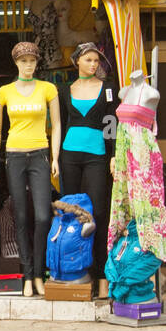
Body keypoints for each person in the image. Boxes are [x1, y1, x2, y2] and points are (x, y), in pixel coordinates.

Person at [0, 41, 60, 298]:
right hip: (15, 155)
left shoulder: (48, 89)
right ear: (16, 62)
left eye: (32, 60)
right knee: (20, 217)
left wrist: (55, 157)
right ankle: (27, 276)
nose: (28, 65)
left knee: (43, 216)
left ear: (37, 62)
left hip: (40, 153)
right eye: (24, 61)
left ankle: (40, 273)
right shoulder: (4, 92)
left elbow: (56, 125)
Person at [59, 42, 119, 298]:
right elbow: (59, 124)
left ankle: (101, 275)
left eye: (96, 61)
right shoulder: (63, 89)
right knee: (71, 211)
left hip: (97, 156)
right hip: (69, 155)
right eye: (88, 60)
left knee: (98, 212)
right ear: (77, 62)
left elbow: (111, 122)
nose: (94, 64)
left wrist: (114, 154)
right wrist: (54, 157)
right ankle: (73, 271)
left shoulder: (107, 89)